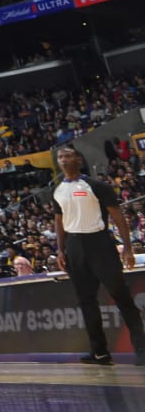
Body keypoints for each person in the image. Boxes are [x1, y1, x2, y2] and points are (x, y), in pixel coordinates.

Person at [52, 145, 144, 365]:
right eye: (60, 157)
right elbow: (59, 221)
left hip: (100, 242)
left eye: (68, 155)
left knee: (121, 296)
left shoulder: (96, 186)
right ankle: (100, 352)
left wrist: (128, 248)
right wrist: (61, 249)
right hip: (74, 245)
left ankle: (141, 349)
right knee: (86, 301)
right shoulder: (57, 191)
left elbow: (118, 217)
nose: (64, 159)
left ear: (77, 158)